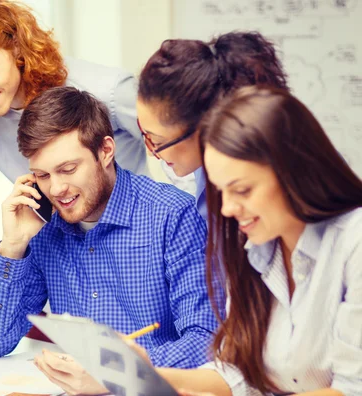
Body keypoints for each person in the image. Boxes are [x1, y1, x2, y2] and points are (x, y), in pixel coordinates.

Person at [0, 0, 153, 349]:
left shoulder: (108, 90)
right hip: (67, 256)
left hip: (136, 250)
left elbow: (181, 151)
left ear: (18, 50)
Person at [0, 86, 222, 395]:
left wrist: (119, 371)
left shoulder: (172, 216)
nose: (57, 189)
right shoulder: (42, 227)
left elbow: (207, 340)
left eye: (68, 169)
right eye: (42, 175)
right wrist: (13, 245)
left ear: (105, 151)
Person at [124, 86, 362, 396]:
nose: (226, 209)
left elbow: (352, 387)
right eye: (221, 191)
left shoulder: (353, 242)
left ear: (293, 172)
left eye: (243, 190)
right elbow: (237, 373)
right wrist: (148, 377)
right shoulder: (256, 247)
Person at [136, 31, 288, 224]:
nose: (151, 152)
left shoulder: (265, 184)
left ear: (205, 127)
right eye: (144, 133)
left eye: (156, 141)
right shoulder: (198, 172)